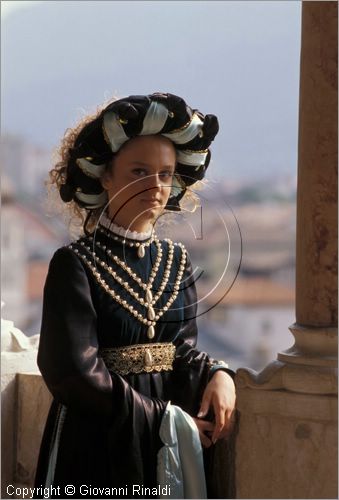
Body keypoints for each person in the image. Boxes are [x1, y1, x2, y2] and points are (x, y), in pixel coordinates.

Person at [33, 92, 236, 499]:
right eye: (139, 172)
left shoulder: (176, 261)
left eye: (165, 174)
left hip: (166, 436)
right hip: (96, 439)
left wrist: (218, 372)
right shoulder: (73, 264)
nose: (155, 187)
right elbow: (73, 371)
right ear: (105, 176)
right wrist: (163, 419)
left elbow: (178, 349)